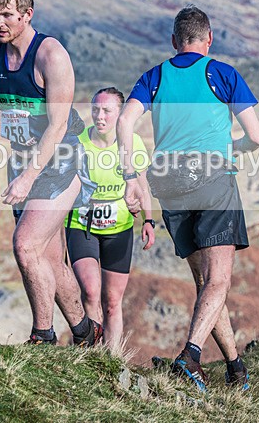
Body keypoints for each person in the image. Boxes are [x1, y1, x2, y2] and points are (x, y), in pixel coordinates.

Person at [117, 5, 259, 392]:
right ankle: (191, 356)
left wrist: (130, 176)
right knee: (219, 281)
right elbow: (257, 136)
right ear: (209, 39)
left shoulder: (154, 77)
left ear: (173, 41)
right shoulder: (222, 74)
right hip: (213, 181)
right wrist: (235, 147)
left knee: (205, 285)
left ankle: (235, 368)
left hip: (169, 185)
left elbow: (125, 121)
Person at [0, 0, 102, 346]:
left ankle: (43, 336)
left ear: (27, 15)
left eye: (7, 15)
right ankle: (87, 334)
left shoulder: (51, 56)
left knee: (25, 246)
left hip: (61, 163)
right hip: (22, 160)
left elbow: (58, 126)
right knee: (50, 260)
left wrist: (29, 176)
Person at [66, 87, 155, 350]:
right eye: (95, 110)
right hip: (82, 225)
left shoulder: (133, 143)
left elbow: (143, 187)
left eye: (106, 110)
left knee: (113, 302)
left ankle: (113, 359)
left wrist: (148, 220)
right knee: (90, 290)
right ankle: (90, 355)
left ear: (120, 113)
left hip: (119, 229)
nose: (100, 116)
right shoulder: (77, 143)